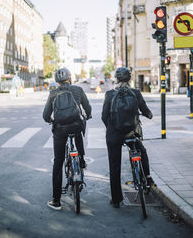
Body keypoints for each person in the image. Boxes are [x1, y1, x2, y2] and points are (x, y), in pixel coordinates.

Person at [101, 67, 154, 209]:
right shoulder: (135, 93)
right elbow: (145, 111)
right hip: (131, 132)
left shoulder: (110, 94)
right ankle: (147, 179)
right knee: (141, 151)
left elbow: (104, 116)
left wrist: (112, 129)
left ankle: (117, 200)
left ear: (116, 79)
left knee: (114, 164)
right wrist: (149, 115)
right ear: (129, 78)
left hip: (114, 134)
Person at [43, 68, 92, 210]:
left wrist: (50, 120)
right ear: (70, 78)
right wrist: (87, 115)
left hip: (60, 129)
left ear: (57, 82)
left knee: (58, 162)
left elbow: (46, 115)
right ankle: (81, 161)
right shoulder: (78, 90)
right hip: (76, 126)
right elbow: (87, 108)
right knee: (78, 135)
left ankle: (56, 200)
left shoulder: (53, 94)